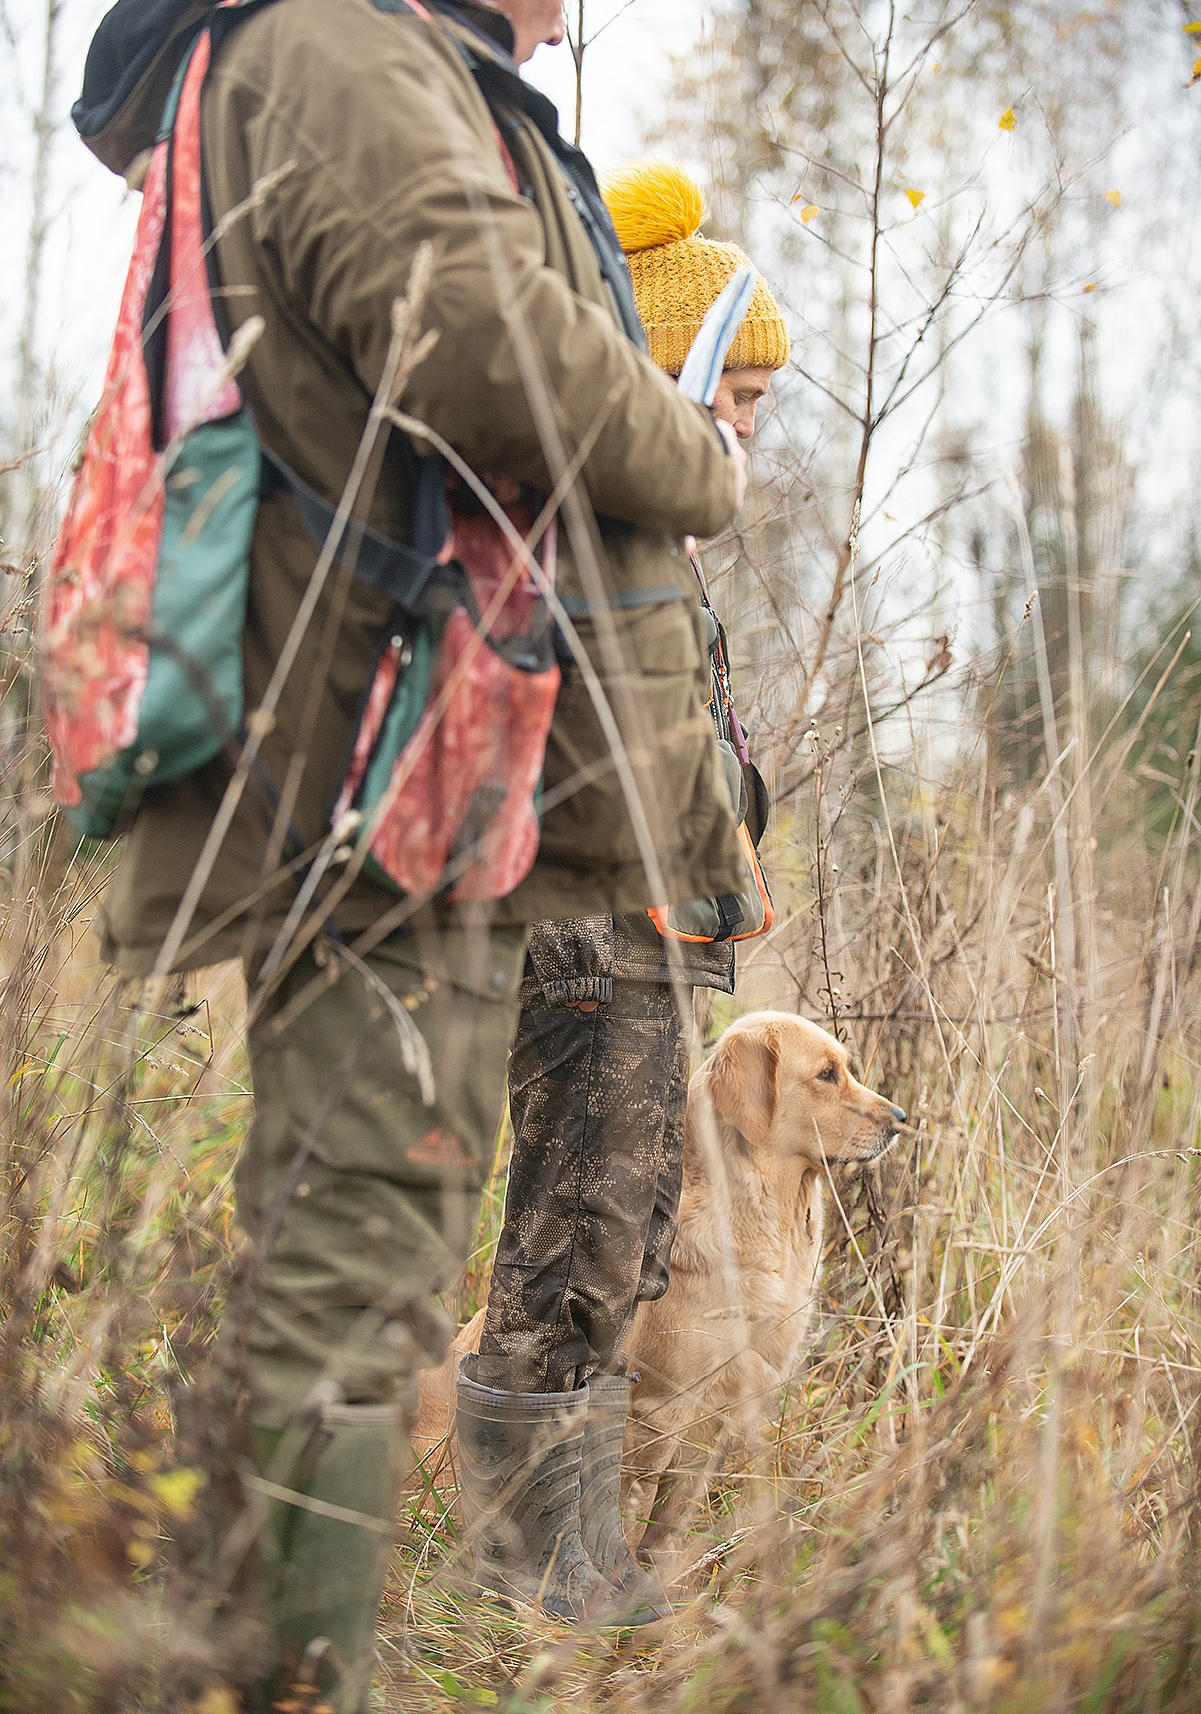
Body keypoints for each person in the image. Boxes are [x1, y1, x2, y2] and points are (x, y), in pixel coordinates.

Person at [72, 0, 750, 1708]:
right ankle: (291, 1677)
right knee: (353, 1268)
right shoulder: (342, 49)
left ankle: (265, 1655)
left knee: (367, 1257)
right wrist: (694, 463)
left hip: (427, 774)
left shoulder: (361, 50)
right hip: (376, 770)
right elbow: (476, 334)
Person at [464, 160, 788, 1619]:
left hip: (654, 941)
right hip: (592, 938)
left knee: (625, 1232)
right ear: (663, 377)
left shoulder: (651, 545)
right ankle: (526, 1565)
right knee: (571, 1237)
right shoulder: (586, 529)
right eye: (739, 397)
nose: (743, 435)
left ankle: (576, 1547)